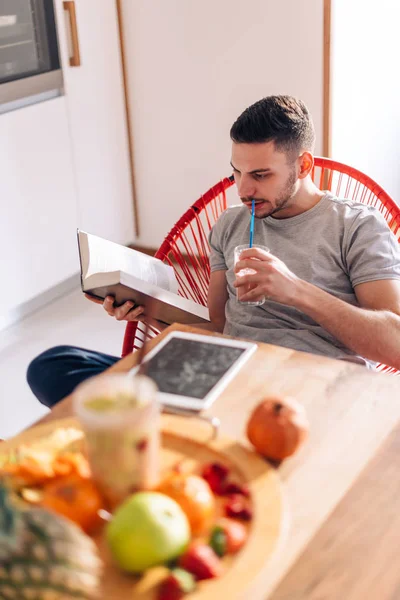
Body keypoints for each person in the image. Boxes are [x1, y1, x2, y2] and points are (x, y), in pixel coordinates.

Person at [27, 95, 400, 408]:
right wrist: (146, 309)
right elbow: (217, 328)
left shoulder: (357, 227)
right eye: (237, 172)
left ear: (303, 165)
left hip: (306, 388)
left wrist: (295, 290)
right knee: (52, 367)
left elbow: (394, 346)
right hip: (224, 373)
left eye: (260, 175)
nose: (242, 189)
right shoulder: (230, 224)